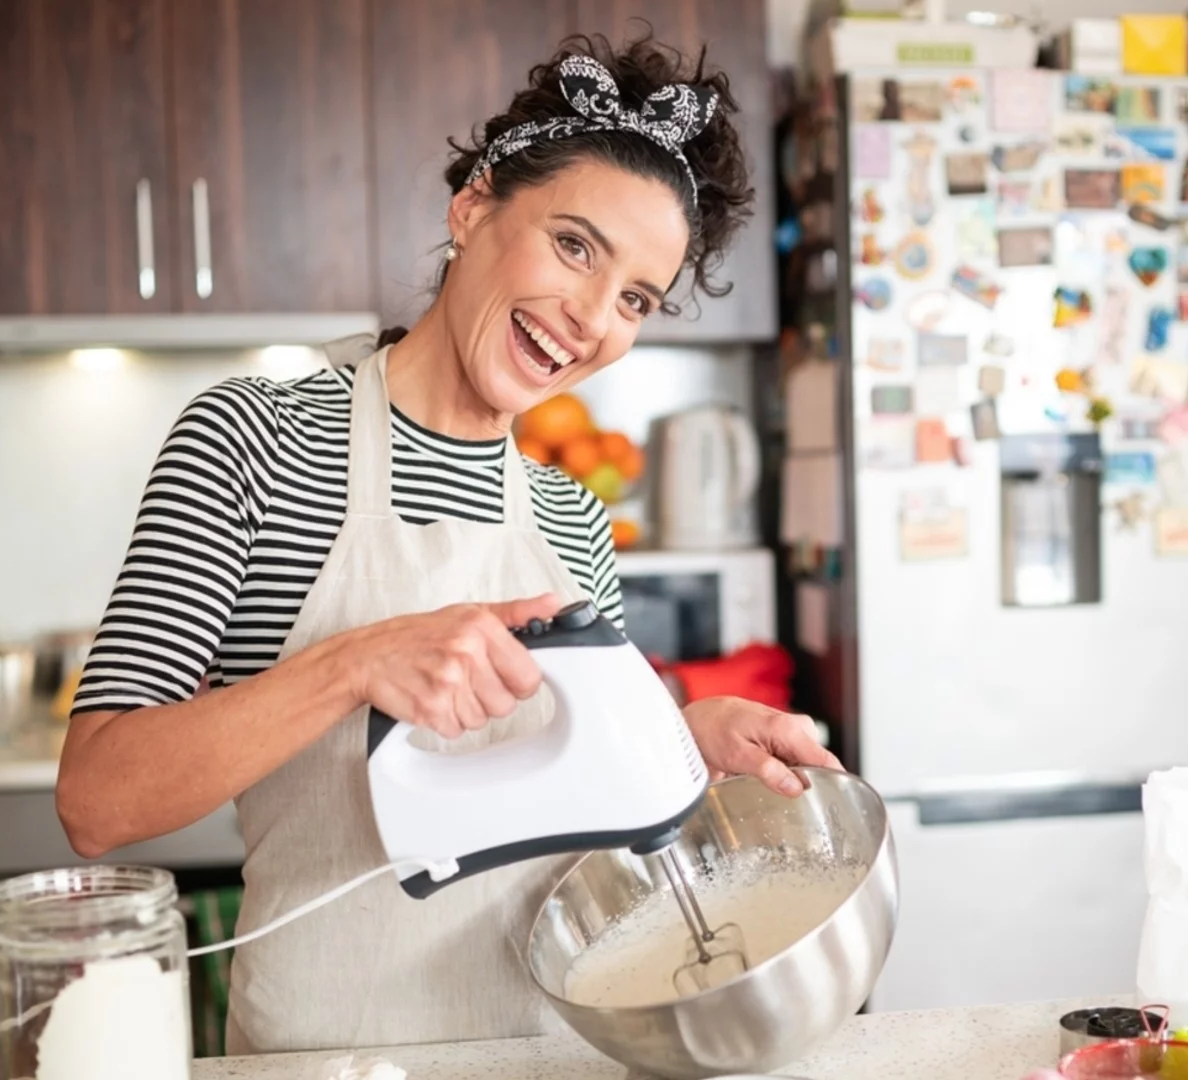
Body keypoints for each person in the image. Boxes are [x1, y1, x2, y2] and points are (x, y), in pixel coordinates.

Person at [55, 30, 842, 1056]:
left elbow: (576, 798)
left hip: (549, 1048)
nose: (591, 318)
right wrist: (357, 661)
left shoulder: (569, 517)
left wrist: (685, 740)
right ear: (473, 206)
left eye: (637, 298)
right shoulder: (257, 441)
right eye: (574, 245)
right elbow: (98, 799)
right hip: (325, 1058)